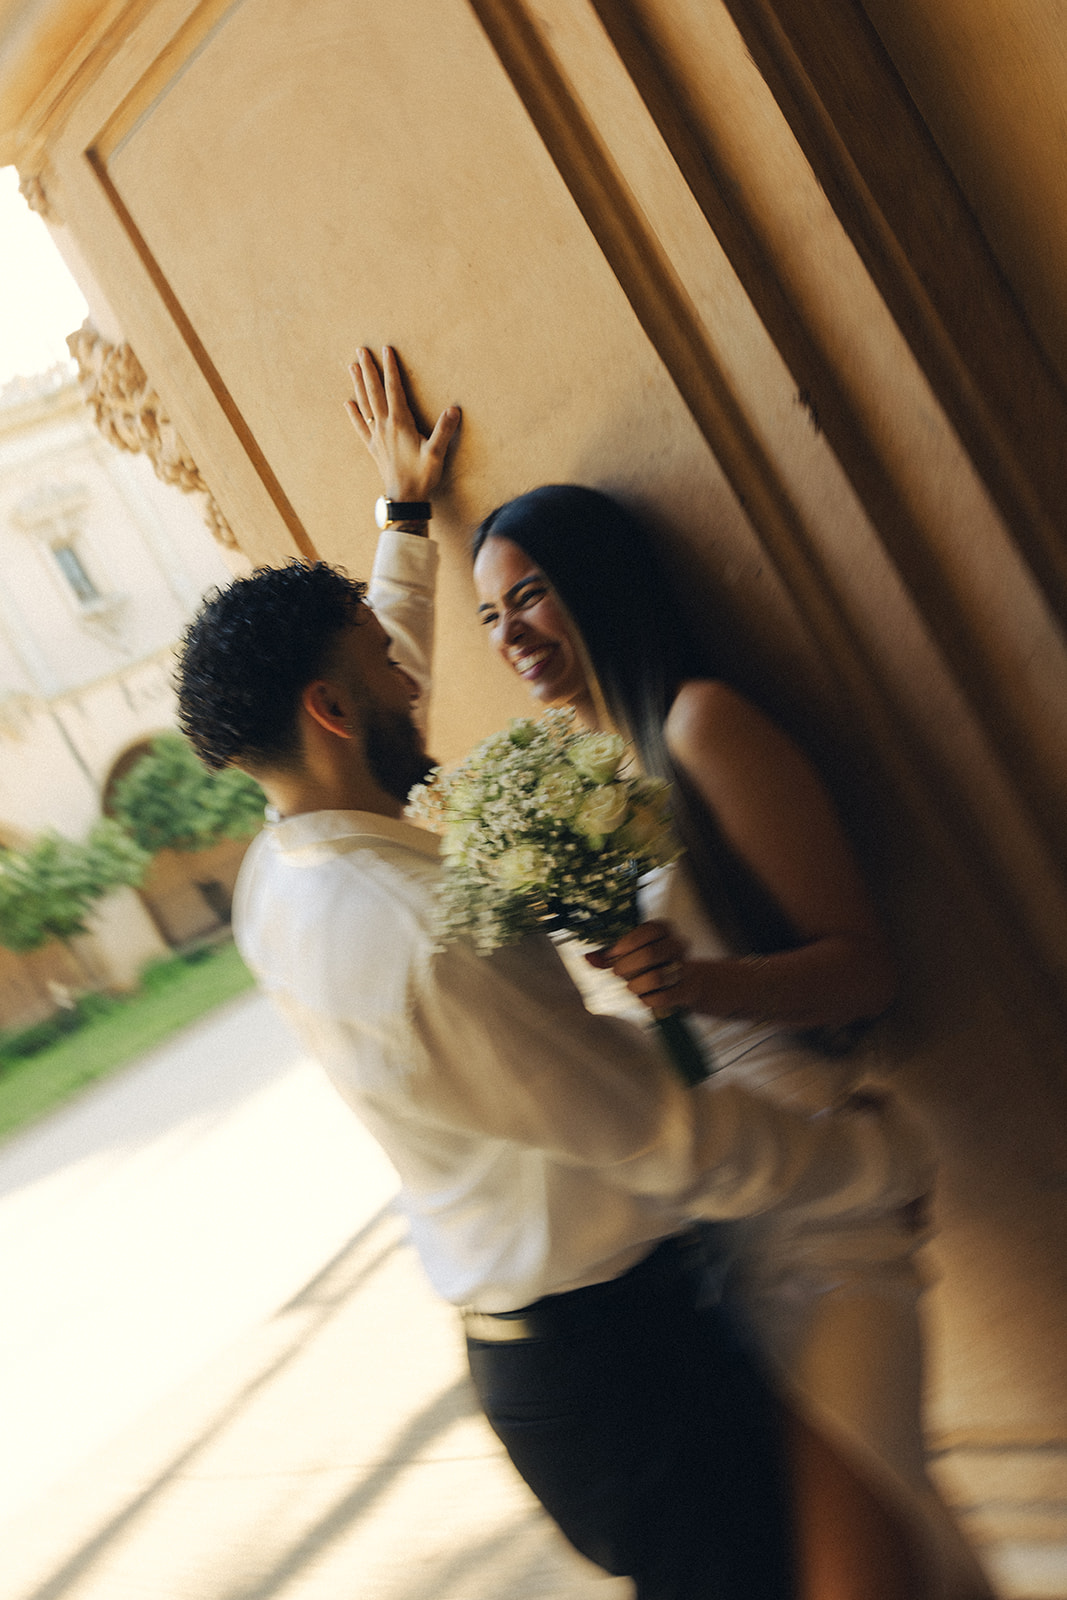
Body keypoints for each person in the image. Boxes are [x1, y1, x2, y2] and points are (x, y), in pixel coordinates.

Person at [172, 348, 939, 1600]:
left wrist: (404, 523)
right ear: (327, 707)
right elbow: (666, 1138)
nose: (409, 669)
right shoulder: (425, 930)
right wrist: (873, 1164)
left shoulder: (283, 872)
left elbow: (375, 691)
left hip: (588, 1331)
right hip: (618, 1360)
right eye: (379, 658)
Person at [447, 424, 996, 1592]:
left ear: (599, 583)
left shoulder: (699, 725)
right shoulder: (572, 774)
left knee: (852, 1559)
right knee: (894, 1537)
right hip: (711, 1213)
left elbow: (862, 969)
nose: (512, 636)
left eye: (532, 595)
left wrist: (696, 983)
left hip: (825, 1193)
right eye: (493, 616)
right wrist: (404, 527)